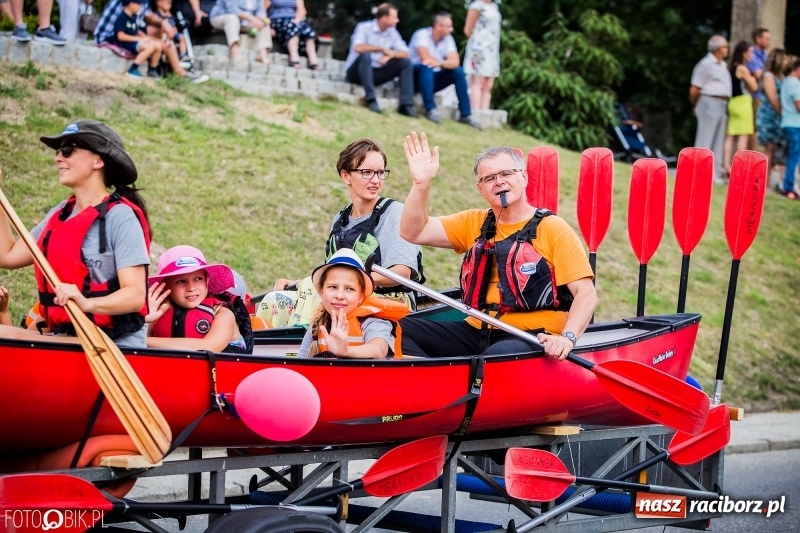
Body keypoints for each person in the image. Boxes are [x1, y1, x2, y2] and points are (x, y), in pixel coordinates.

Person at [397, 132, 597, 359]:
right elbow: (413, 232)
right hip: (477, 330)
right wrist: (421, 184)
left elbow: (586, 294)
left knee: (497, 355)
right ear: (480, 189)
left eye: (506, 173)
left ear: (523, 177)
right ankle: (434, 388)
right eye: (489, 178)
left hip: (533, 336)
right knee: (397, 330)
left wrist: (567, 338)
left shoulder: (553, 228)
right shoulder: (473, 222)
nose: (499, 181)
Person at [0, 120, 152, 348]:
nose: (58, 158)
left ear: (98, 160)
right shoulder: (60, 214)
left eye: (68, 150)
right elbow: (8, 256)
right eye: (59, 151)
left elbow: (135, 296)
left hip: (113, 345)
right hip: (67, 337)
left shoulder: (120, 217)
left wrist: (87, 303)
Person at [260, 138, 424, 328]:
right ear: (346, 176)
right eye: (367, 172)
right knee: (274, 300)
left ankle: (310, 348)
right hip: (345, 296)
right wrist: (297, 283)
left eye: (380, 173)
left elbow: (401, 273)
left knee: (321, 297)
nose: (376, 180)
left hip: (390, 302)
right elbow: (332, 273)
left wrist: (353, 282)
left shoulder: (395, 213)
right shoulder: (340, 219)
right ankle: (274, 351)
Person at [298, 249, 406, 359]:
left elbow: (378, 350)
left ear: (360, 297)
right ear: (322, 292)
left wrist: (346, 351)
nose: (339, 296)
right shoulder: (316, 326)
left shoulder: (372, 321)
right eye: (333, 287)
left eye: (349, 289)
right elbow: (300, 363)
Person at [145, 245, 254, 353]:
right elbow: (133, 347)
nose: (191, 288)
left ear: (207, 282)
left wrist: (144, 341)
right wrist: (145, 320)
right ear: (165, 287)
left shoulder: (223, 313)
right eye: (181, 281)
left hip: (225, 370)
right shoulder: (156, 313)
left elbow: (209, 347)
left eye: (198, 279)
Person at [409, 12, 480, 129]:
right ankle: (430, 109)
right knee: (427, 67)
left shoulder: (448, 39)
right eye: (448, 26)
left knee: (458, 72)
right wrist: (442, 63)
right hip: (415, 78)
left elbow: (455, 62)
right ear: (438, 26)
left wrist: (440, 63)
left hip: (432, 78)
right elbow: (425, 59)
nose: (451, 29)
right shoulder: (421, 35)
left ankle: (465, 114)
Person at [344, 3, 416, 117]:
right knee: (365, 55)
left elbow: (407, 53)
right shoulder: (364, 27)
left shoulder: (392, 33)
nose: (397, 20)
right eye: (394, 17)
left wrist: (391, 55)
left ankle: (406, 104)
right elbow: (358, 48)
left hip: (376, 72)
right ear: (384, 18)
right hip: (356, 72)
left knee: (405, 63)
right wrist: (381, 49)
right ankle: (371, 99)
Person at [690, 35, 732, 185]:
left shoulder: (722, 65)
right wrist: (695, 105)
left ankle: (714, 174)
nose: (728, 49)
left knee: (717, 140)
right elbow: (695, 88)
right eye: (725, 46)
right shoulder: (706, 64)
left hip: (722, 103)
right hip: (709, 100)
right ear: (717, 48)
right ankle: (699, 174)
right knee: (705, 139)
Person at [723, 41, 758, 180]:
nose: (751, 56)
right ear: (743, 53)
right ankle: (738, 167)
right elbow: (754, 86)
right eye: (749, 52)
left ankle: (726, 165)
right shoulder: (743, 68)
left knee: (730, 135)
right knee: (743, 135)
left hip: (732, 102)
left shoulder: (731, 67)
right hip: (743, 102)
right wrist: (754, 76)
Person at [756, 48, 787, 184]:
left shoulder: (779, 77)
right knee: (769, 149)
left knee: (773, 150)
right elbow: (773, 99)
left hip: (776, 117)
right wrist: (783, 113)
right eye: (784, 58)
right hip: (769, 117)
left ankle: (767, 181)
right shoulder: (768, 76)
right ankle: (763, 182)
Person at [111, 0, 165, 79]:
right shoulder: (122, 18)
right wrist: (139, 39)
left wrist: (147, 38)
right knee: (149, 47)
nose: (140, 7)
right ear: (131, 4)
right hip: (126, 43)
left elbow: (135, 31)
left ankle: (152, 69)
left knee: (158, 46)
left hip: (133, 41)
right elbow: (120, 36)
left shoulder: (133, 17)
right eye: (138, 4)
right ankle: (132, 69)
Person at [463, 0, 500, 111]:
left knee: (488, 84)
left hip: (492, 50)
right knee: (478, 81)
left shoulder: (494, 6)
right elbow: (468, 30)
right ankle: (475, 112)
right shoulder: (477, 6)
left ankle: (485, 112)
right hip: (478, 50)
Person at [265, 0, 319, 70]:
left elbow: (302, 10)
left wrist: (296, 21)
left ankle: (313, 60)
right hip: (277, 20)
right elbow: (264, 11)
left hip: (294, 20)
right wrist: (267, 27)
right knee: (293, 31)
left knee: (310, 33)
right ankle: (294, 59)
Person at [779, 58, 800, 200]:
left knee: (790, 156)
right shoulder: (795, 83)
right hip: (795, 123)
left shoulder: (786, 81)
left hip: (787, 122)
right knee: (794, 157)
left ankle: (788, 185)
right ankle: (789, 187)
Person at [746, 28, 770, 149]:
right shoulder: (751, 54)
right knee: (754, 128)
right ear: (758, 39)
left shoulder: (765, 55)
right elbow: (759, 75)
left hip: (764, 96)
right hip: (755, 95)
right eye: (766, 39)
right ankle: (752, 155)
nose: (768, 41)